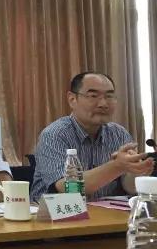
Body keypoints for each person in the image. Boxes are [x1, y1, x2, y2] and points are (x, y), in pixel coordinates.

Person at [31, 72, 154, 201]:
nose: (103, 104)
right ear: (72, 99)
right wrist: (116, 166)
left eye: (109, 96)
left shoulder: (119, 134)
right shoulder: (55, 134)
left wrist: (137, 172)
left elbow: (129, 187)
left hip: (106, 211)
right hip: (56, 211)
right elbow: (66, 187)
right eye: (93, 96)